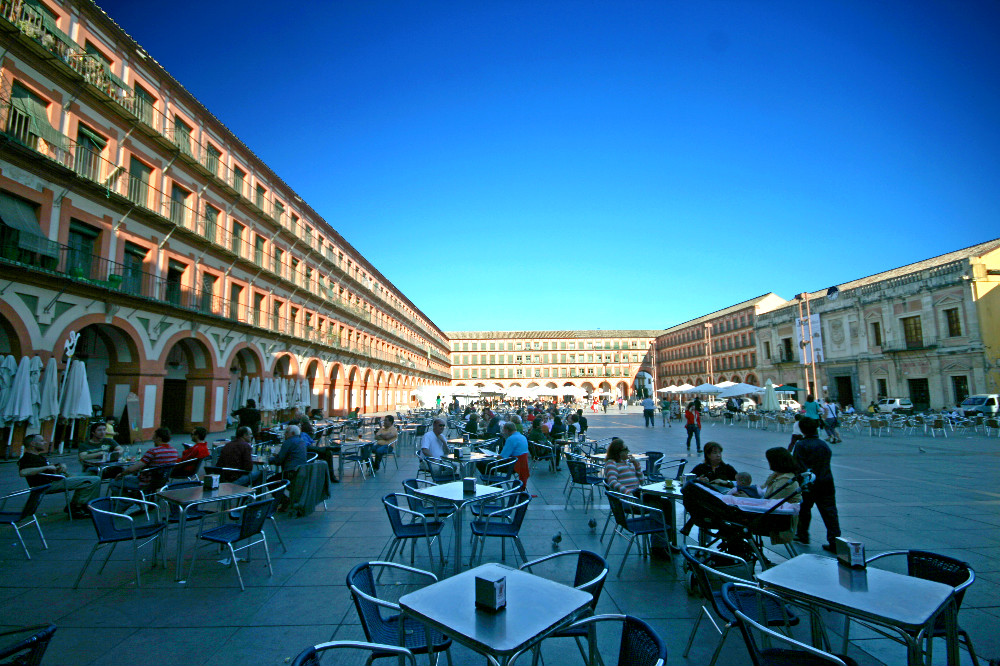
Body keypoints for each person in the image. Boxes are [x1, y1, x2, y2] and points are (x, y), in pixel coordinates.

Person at [18, 434, 100, 518]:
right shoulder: (27, 458)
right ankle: (77, 507)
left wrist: (59, 465)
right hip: (48, 484)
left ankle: (79, 505)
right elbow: (23, 472)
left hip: (58, 479)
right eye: (42, 441)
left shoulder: (38, 456)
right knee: (94, 480)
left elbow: (48, 466)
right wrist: (46, 467)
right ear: (33, 444)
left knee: (91, 475)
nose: (45, 443)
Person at [792, 418, 841, 553]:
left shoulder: (801, 445)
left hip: (809, 483)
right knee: (830, 512)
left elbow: (798, 466)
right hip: (826, 482)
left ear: (802, 430)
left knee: (804, 509)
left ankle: (803, 534)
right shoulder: (823, 445)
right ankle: (835, 540)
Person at [113, 427, 180, 494]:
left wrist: (121, 474)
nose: (153, 439)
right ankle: (135, 498)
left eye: (154, 437)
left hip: (146, 483)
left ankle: (126, 503)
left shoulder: (153, 451)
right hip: (161, 482)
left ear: (159, 438)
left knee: (113, 482)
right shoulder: (174, 451)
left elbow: (133, 469)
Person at [761, 447, 802, 544]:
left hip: (779, 520)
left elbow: (771, 501)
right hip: (776, 515)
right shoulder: (778, 476)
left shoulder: (785, 480)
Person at [500, 422, 530, 489]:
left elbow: (503, 456)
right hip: (521, 465)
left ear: (507, 430)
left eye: (503, 430)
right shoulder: (522, 437)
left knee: (485, 465)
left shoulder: (511, 439)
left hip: (513, 466)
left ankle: (492, 484)